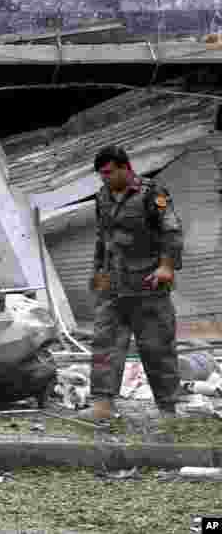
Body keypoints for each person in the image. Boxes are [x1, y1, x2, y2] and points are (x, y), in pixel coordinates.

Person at [82, 145, 183, 422]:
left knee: (157, 347)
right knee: (105, 344)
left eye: (108, 173)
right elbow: (103, 238)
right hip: (113, 286)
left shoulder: (154, 194)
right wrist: (97, 273)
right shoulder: (102, 196)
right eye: (100, 174)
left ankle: (168, 409)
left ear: (125, 168)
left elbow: (171, 231)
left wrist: (166, 266)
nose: (104, 178)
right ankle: (103, 406)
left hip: (147, 285)